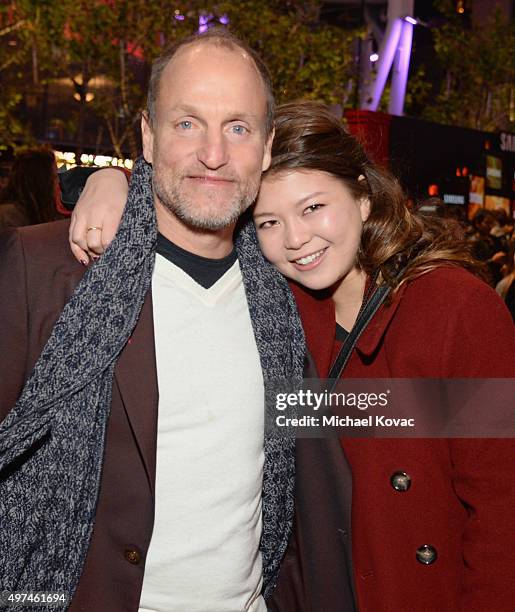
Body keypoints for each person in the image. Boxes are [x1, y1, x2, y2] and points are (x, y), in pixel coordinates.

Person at [71, 101, 515, 612]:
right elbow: (187, 210)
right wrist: (107, 181)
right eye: (268, 223)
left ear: (364, 197)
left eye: (312, 208)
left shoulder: (455, 307)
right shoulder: (281, 310)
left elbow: (502, 508)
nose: (296, 240)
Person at [0, 29, 305, 612]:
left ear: (266, 148)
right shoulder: (42, 270)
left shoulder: (291, 295)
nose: (213, 154)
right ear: (147, 134)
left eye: (237, 128)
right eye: (187, 123)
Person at [0, 147, 62, 232]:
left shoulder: (42, 210)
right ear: (41, 181)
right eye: (54, 177)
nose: (58, 182)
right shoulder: (9, 216)